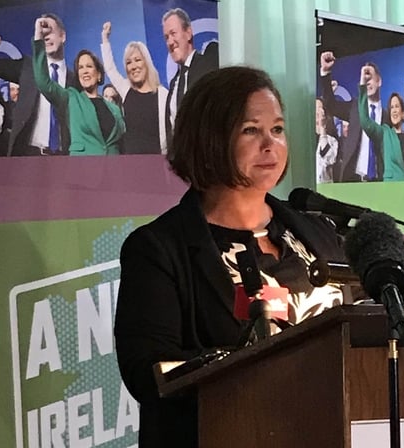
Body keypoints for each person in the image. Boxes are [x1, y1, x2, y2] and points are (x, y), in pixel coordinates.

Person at [114, 66, 346, 448]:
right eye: (251, 130)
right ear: (210, 139)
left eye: (277, 129)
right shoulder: (158, 249)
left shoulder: (318, 233)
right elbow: (148, 372)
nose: (270, 144)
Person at [0, 0, 77, 156]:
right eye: (42, 33)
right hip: (28, 153)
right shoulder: (28, 68)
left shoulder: (74, 79)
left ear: (63, 36)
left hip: (63, 156)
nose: (46, 36)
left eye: (50, 31)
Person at [32, 18, 125, 156]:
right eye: (80, 68)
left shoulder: (114, 108)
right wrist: (39, 36)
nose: (85, 71)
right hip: (84, 170)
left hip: (113, 170)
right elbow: (43, 82)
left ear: (99, 74)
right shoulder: (71, 98)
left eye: (89, 66)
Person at [318, 51, 389, 182]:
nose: (367, 82)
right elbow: (330, 105)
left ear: (379, 81)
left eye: (370, 77)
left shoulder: (387, 116)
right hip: (352, 178)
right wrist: (325, 72)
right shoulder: (354, 108)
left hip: (379, 181)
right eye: (364, 78)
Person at [101, 21, 169, 154]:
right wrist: (105, 38)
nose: (133, 66)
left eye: (137, 60)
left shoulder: (163, 94)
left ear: (146, 62)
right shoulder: (126, 90)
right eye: (128, 62)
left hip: (157, 163)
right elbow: (110, 69)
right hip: (131, 164)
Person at [162, 8, 219, 138]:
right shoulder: (173, 84)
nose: (170, 42)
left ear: (188, 33)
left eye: (173, 33)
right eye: (166, 37)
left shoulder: (209, 64)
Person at [358, 66, 404, 181]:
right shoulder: (384, 134)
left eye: (397, 106)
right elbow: (365, 120)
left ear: (403, 114)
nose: (394, 110)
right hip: (393, 193)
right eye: (391, 107)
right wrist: (363, 83)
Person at [315, 97, 338, 183]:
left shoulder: (332, 140)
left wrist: (322, 129)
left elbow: (328, 158)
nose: (317, 113)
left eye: (320, 109)